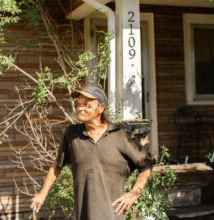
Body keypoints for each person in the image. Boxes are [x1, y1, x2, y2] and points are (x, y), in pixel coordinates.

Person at [30, 85, 155, 220]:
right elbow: (57, 166)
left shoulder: (121, 134)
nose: (80, 108)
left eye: (87, 105)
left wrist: (134, 193)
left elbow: (147, 164)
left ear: (100, 108)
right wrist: (42, 193)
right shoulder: (71, 134)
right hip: (82, 215)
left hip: (113, 215)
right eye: (78, 104)